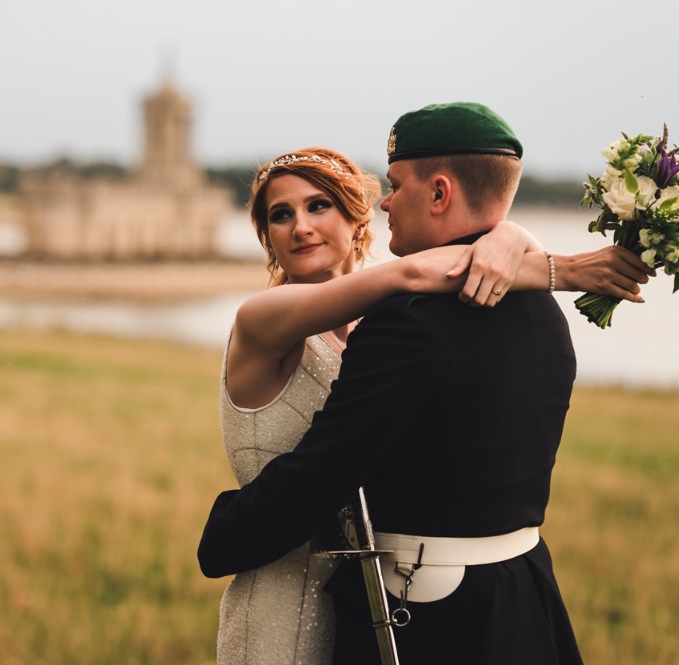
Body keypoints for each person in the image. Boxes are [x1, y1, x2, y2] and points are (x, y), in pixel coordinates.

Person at [212, 131, 652, 664]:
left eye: (319, 206)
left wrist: (509, 235)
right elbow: (415, 271)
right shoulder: (263, 318)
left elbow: (429, 276)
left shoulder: (381, 315)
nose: (300, 226)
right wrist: (560, 267)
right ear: (266, 236)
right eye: (280, 216)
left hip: (362, 586)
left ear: (358, 219)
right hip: (283, 584)